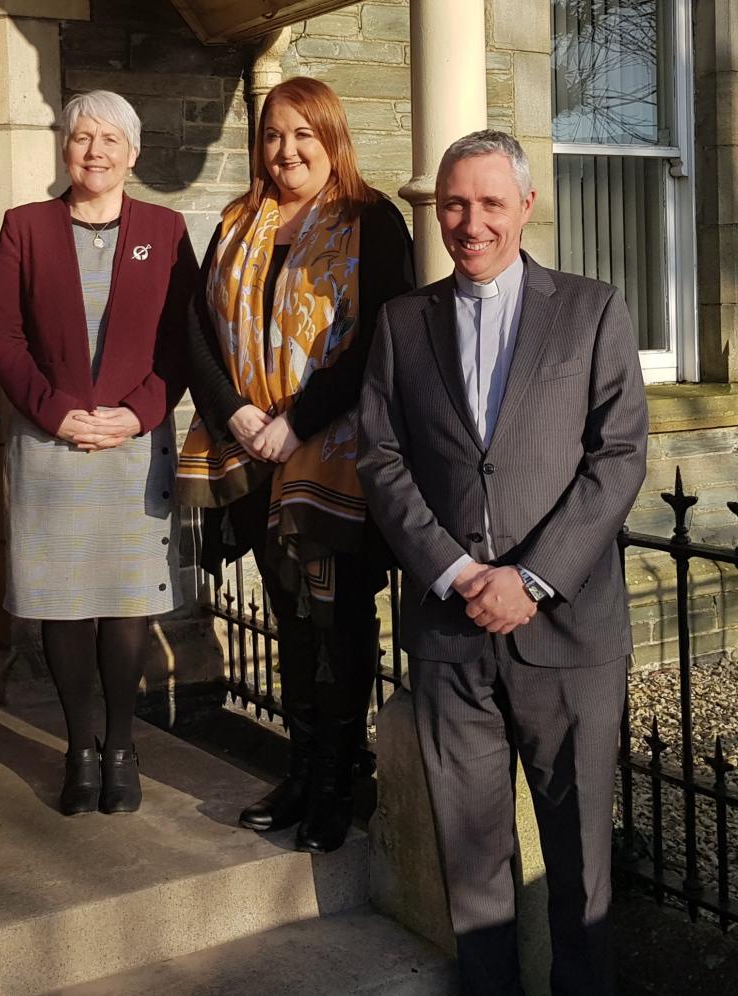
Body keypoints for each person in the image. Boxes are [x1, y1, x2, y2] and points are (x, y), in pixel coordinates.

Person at [357, 130, 648, 995]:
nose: (470, 223)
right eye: (454, 204)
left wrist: (530, 577)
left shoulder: (593, 309)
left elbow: (620, 455)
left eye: (490, 203)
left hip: (567, 633)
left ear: (526, 206)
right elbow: (380, 455)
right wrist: (453, 570)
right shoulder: (403, 323)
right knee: (473, 868)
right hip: (452, 638)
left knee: (581, 869)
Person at [177, 77, 413, 853]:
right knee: (289, 619)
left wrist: (297, 421)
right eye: (274, 136)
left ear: (332, 137)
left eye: (303, 135)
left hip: (337, 457)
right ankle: (303, 769)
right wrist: (237, 414)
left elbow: (382, 339)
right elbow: (196, 332)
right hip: (250, 448)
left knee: (341, 620)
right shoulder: (239, 224)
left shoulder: (372, 224)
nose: (287, 152)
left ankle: (343, 782)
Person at [0, 90, 196, 816]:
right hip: (52, 446)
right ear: (63, 149)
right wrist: (58, 413)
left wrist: (134, 416)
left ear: (133, 154)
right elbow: (0, 335)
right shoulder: (26, 228)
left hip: (133, 449)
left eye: (110, 139)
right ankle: (78, 747)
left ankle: (123, 747)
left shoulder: (166, 231)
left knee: (126, 603)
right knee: (64, 607)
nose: (95, 151)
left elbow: (182, 342)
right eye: (81, 137)